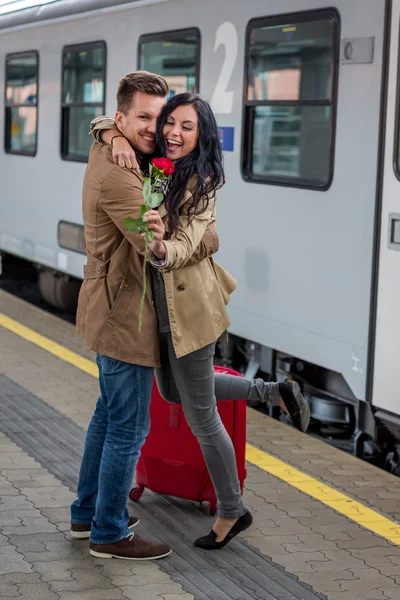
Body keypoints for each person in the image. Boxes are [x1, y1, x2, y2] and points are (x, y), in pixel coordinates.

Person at [91, 91, 311, 550]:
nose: (172, 132)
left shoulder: (201, 179)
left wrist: (160, 249)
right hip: (164, 309)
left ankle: (233, 511)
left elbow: (193, 238)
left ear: (201, 134)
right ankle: (272, 391)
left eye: (186, 127)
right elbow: (113, 120)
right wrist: (111, 132)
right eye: (170, 123)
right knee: (173, 391)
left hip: (190, 310)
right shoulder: (157, 161)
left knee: (202, 417)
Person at [71, 71, 217, 561]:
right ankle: (108, 533)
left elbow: (163, 223)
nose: (155, 129)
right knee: (128, 428)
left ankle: (86, 513)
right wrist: (202, 236)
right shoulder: (119, 175)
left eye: (161, 117)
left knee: (107, 416)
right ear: (121, 116)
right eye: (143, 118)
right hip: (123, 316)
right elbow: (149, 242)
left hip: (112, 307)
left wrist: (109, 132)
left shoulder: (121, 152)